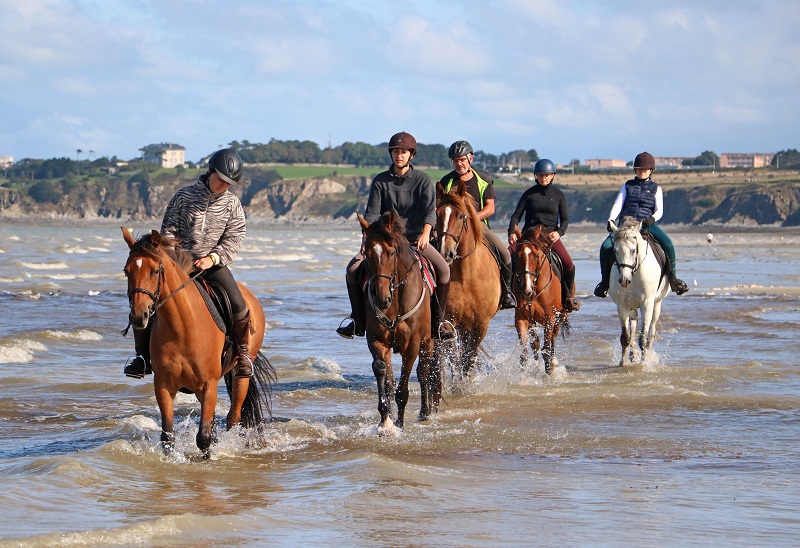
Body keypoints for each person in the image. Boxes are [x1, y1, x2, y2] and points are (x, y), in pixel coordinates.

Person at [124, 148, 255, 379]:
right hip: (178, 264)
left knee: (238, 304)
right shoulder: (184, 196)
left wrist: (213, 258)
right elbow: (169, 231)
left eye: (228, 183)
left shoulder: (233, 205)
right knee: (144, 300)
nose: (223, 185)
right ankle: (142, 357)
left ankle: (243, 355)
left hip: (213, 264)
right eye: (221, 179)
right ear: (210, 171)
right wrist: (175, 257)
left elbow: (234, 238)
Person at [336, 131, 456, 341]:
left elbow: (429, 212)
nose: (399, 156)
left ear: (411, 155)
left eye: (403, 152)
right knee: (353, 269)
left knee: (444, 270)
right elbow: (371, 215)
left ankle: (439, 323)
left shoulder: (423, 180)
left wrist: (426, 233)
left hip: (416, 240)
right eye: (395, 152)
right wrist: (366, 241)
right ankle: (358, 320)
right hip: (385, 242)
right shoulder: (380, 181)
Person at [593, 151, 689, 298]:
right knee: (605, 247)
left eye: (645, 169)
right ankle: (604, 283)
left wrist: (652, 219)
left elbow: (660, 210)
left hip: (646, 224)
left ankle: (673, 280)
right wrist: (611, 219)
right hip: (626, 225)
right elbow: (618, 203)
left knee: (668, 244)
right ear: (635, 170)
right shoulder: (627, 185)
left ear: (651, 171)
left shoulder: (656, 188)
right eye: (639, 169)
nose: (642, 171)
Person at [439, 140, 517, 310]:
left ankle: (507, 293)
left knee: (505, 254)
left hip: (479, 226)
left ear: (470, 159)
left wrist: (471, 218)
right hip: (452, 228)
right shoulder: (447, 181)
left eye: (462, 160)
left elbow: (490, 208)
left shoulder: (483, 180)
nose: (459, 164)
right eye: (455, 160)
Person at [507, 159, 580, 312]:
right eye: (540, 175)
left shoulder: (559, 195)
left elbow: (565, 219)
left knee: (568, 263)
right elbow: (516, 215)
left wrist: (559, 233)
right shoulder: (529, 194)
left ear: (553, 175)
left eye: (547, 175)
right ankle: (506, 293)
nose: (544, 178)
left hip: (549, 236)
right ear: (536, 176)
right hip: (529, 235)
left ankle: (568, 297)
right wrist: (512, 231)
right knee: (507, 256)